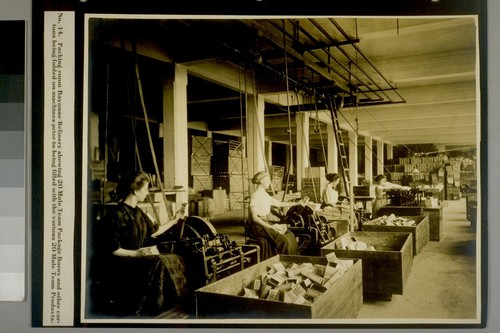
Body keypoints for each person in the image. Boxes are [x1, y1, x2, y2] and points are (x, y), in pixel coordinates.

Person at [94, 171, 188, 317]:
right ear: (136, 190)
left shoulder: (138, 212)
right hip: (122, 263)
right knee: (157, 262)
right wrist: (136, 253)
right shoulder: (117, 215)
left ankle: (173, 304)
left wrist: (174, 220)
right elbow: (112, 249)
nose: (147, 192)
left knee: (175, 257)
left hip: (137, 258)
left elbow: (154, 232)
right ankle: (152, 308)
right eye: (145, 189)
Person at [248, 171, 304, 258]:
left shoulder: (264, 194)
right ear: (262, 181)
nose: (269, 183)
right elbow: (254, 218)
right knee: (284, 240)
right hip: (257, 226)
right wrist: (272, 227)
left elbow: (278, 204)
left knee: (289, 234)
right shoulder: (256, 195)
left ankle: (295, 260)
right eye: (268, 180)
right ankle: (287, 262)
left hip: (265, 223)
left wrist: (297, 203)